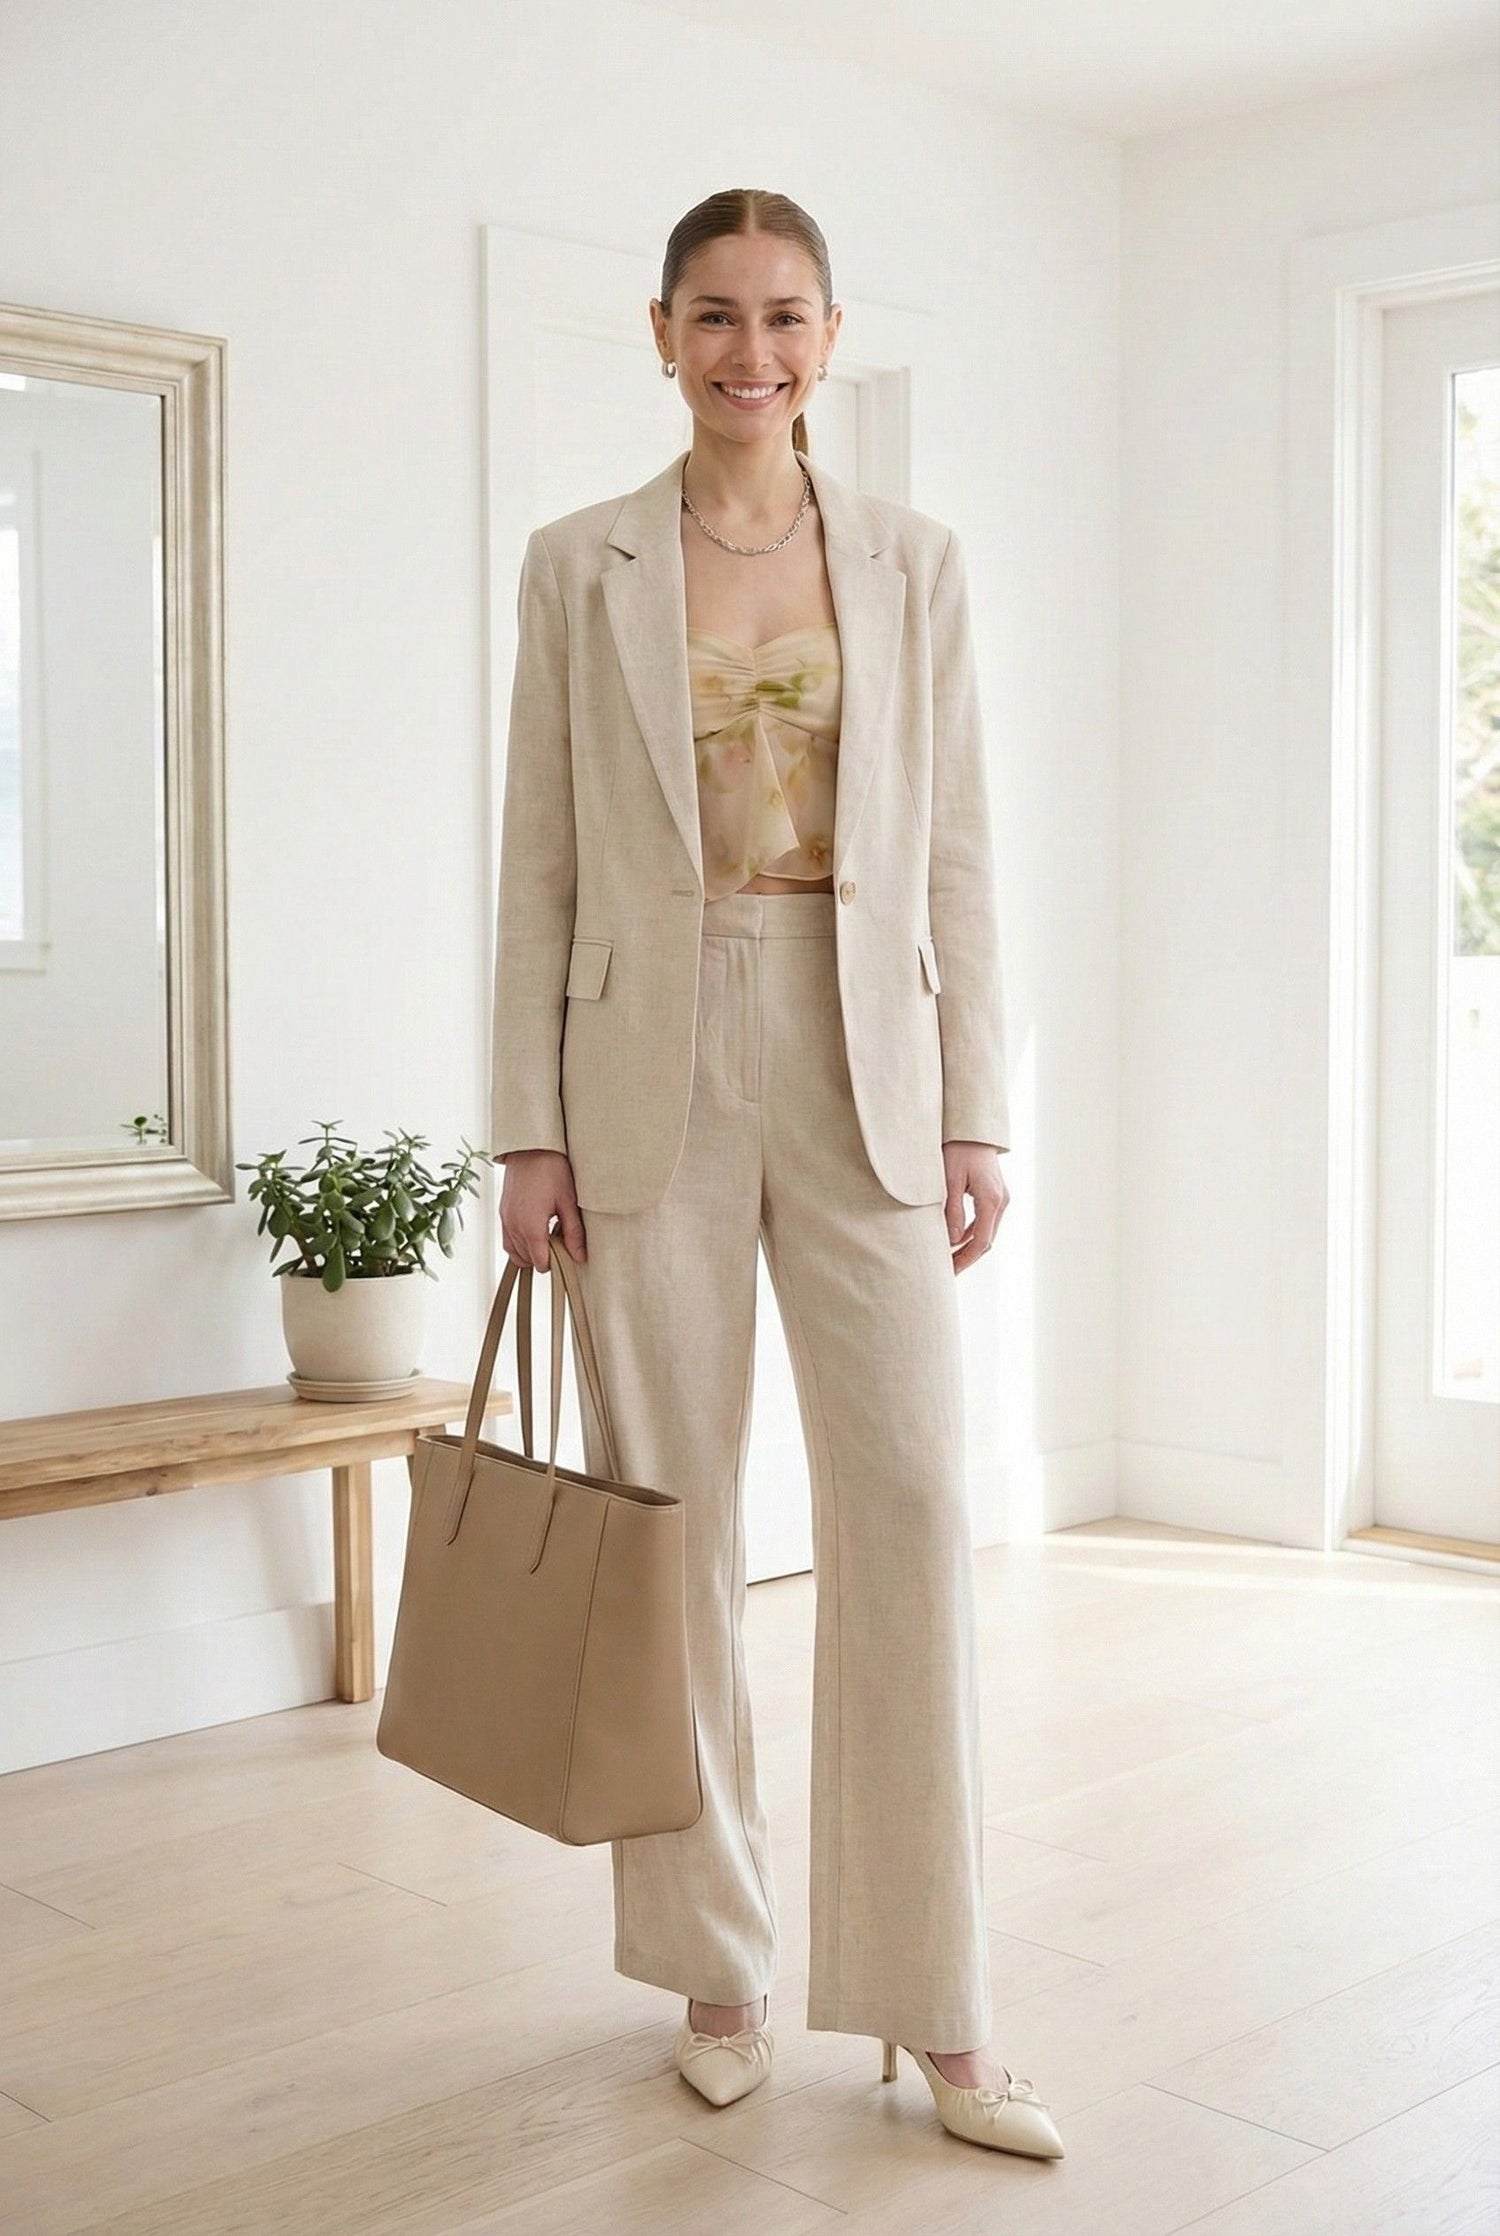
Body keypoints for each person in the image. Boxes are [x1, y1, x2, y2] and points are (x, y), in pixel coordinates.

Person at [489, 187, 1063, 2162]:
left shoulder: (916, 561)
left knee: (908, 1500)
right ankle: (714, 1963)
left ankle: (941, 2003)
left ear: (832, 334)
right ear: (662, 332)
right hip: (645, 1050)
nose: (753, 352)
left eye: (786, 317)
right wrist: (527, 1127)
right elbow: (537, 863)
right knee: (679, 1523)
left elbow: (964, 852)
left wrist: (977, 1102)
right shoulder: (581, 566)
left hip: (863, 1048)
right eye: (716, 317)